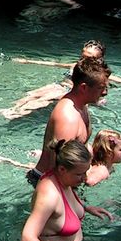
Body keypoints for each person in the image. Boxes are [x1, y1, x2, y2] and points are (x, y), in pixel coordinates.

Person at [0, 40, 121, 120]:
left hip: (68, 91)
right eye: (83, 56)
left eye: (90, 57)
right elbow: (53, 63)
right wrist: (27, 61)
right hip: (59, 85)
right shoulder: (77, 65)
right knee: (33, 93)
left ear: (99, 60)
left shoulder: (101, 74)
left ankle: (16, 114)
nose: (84, 60)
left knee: (44, 99)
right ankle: (12, 108)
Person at [20, 139, 113, 241]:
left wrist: (85, 208)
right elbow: (27, 238)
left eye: (86, 171)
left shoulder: (64, 180)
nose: (85, 178)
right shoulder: (48, 195)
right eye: (79, 174)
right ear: (62, 169)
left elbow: (63, 207)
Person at [27, 57, 110, 186]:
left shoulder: (82, 105)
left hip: (68, 181)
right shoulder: (68, 118)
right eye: (101, 88)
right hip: (51, 185)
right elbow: (57, 169)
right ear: (83, 88)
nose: (105, 93)